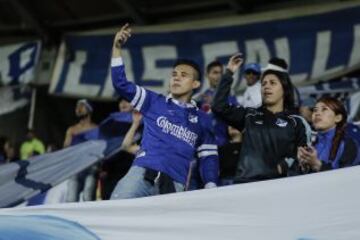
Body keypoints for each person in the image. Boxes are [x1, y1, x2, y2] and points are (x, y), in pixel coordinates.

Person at [110, 23, 218, 199]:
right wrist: (116, 48)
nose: (176, 77)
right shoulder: (152, 101)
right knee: (114, 216)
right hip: (141, 175)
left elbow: (209, 157)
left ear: (196, 84)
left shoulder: (203, 120)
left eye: (184, 75)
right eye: (174, 74)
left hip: (175, 186)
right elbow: (120, 84)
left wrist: (211, 185)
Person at [212, 54, 307, 183]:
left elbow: (305, 157)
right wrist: (229, 73)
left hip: (278, 187)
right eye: (263, 84)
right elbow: (218, 106)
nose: (266, 87)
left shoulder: (296, 122)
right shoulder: (249, 115)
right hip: (244, 184)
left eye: (272, 83)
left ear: (284, 89)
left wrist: (284, 166)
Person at [297, 97, 360, 171]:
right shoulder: (310, 146)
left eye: (324, 109)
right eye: (315, 110)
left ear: (338, 118)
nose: (317, 113)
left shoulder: (349, 144)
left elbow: (348, 177)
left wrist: (317, 165)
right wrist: (303, 167)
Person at [196, 61, 238, 146]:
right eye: (215, 73)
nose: (218, 76)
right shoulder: (200, 99)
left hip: (225, 144)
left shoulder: (230, 96)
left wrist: (216, 102)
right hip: (206, 145)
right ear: (207, 75)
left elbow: (236, 118)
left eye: (220, 73)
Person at [64, 99, 98, 202]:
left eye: (81, 106)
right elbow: (65, 150)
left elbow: (100, 149)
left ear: (89, 109)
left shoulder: (96, 129)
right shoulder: (71, 130)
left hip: (90, 167)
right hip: (75, 168)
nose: (78, 109)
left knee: (87, 198)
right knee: (71, 199)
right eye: (77, 107)